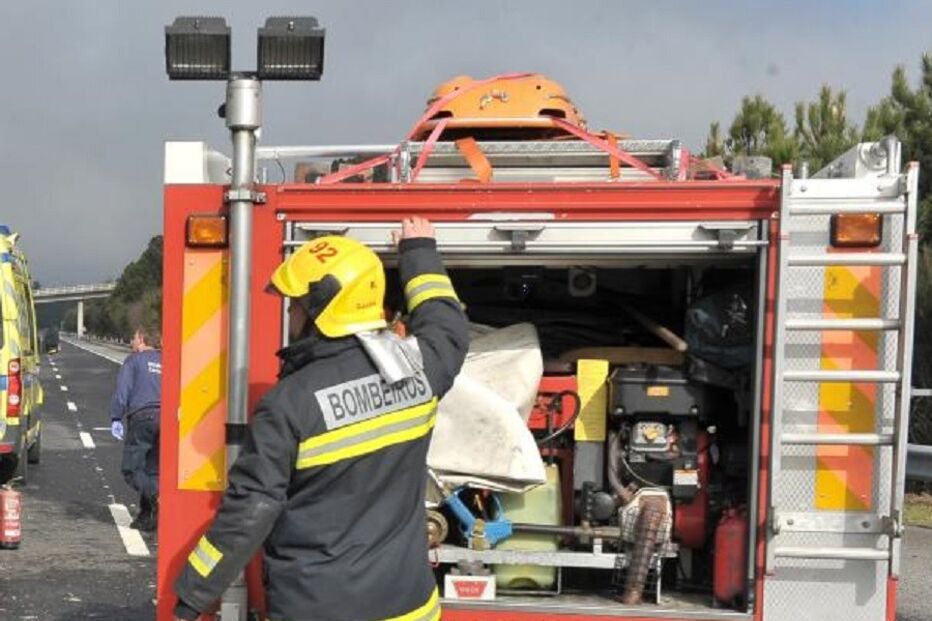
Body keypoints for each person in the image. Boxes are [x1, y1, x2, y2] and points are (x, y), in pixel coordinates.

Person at [173, 217, 469, 621]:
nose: (291, 313)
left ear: (321, 308)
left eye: (295, 304)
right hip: (410, 606)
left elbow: (249, 512)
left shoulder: (289, 404)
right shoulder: (419, 367)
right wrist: (419, 253)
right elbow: (447, 326)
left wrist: (191, 595)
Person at [110, 325, 162, 532]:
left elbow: (123, 392)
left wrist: (116, 417)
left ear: (141, 339)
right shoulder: (167, 359)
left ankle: (158, 495)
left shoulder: (134, 361)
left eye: (133, 337)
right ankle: (146, 517)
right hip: (167, 418)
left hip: (142, 417)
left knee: (131, 470)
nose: (131, 341)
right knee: (152, 469)